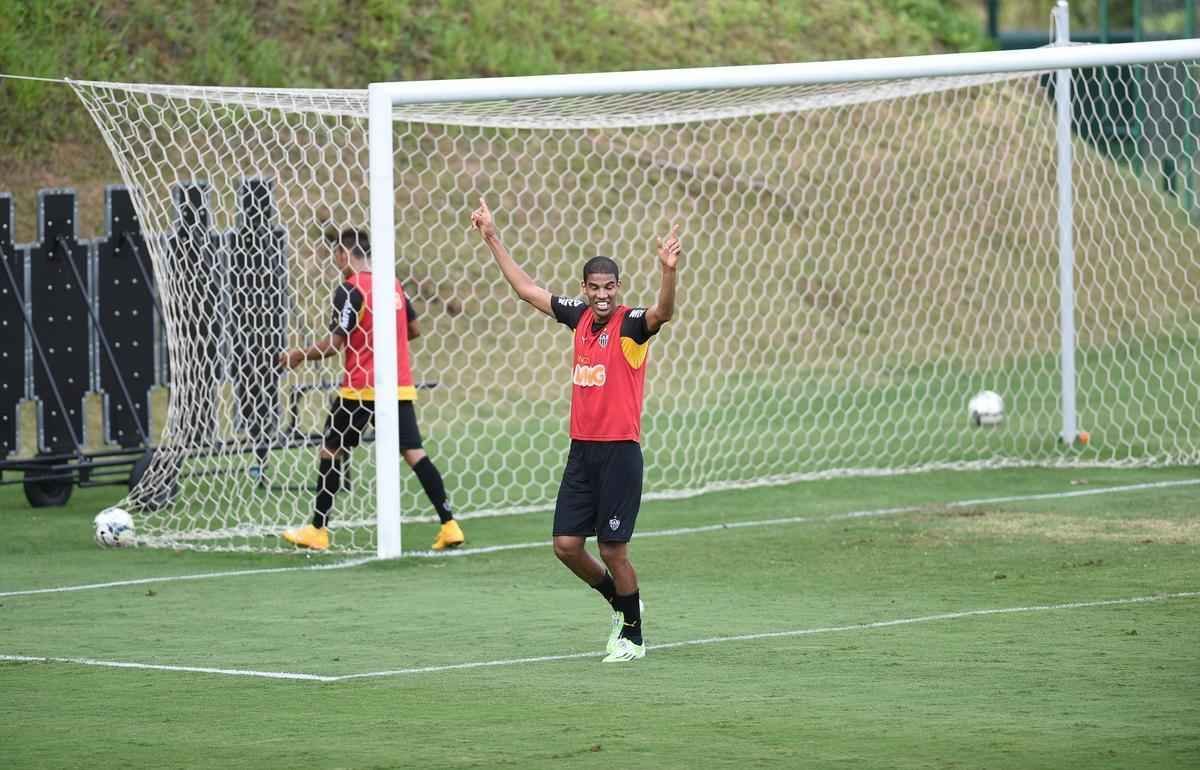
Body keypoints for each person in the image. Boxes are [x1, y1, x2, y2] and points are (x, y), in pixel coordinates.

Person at [470, 197, 681, 663]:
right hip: (582, 453)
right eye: (594, 287)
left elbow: (662, 313)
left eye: (609, 287)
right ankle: (621, 603)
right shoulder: (578, 316)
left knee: (613, 549)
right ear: (583, 289)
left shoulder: (630, 324)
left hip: (620, 453)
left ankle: (633, 636)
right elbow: (526, 289)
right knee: (566, 546)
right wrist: (492, 237)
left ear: (618, 287)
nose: (601, 295)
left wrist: (668, 271)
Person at [279, 228, 464, 552]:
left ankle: (317, 530)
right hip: (398, 386)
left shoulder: (350, 290)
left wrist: (297, 355)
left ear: (344, 255)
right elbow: (415, 329)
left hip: (361, 388)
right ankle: (449, 525)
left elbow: (335, 345)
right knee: (414, 453)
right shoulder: (392, 285)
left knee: (331, 450)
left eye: (337, 256)